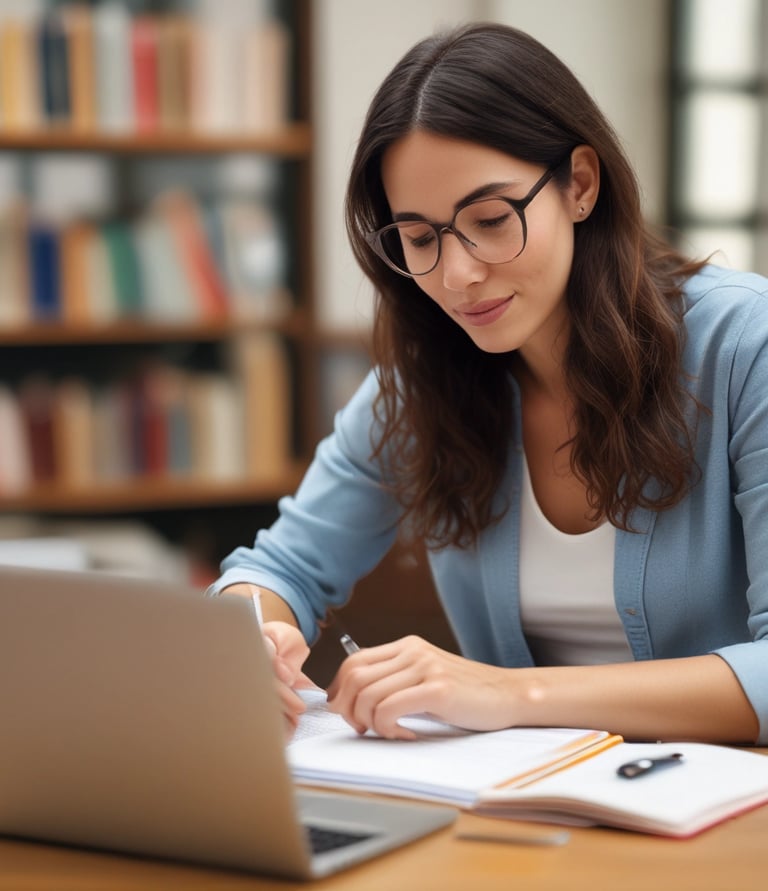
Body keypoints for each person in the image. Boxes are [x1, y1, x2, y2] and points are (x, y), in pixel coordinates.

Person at [209, 22, 768, 746]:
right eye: (420, 237)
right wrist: (252, 633)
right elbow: (280, 565)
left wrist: (508, 692)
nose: (457, 274)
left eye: (491, 219)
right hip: (523, 804)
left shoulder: (744, 347)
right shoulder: (423, 382)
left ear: (580, 185)